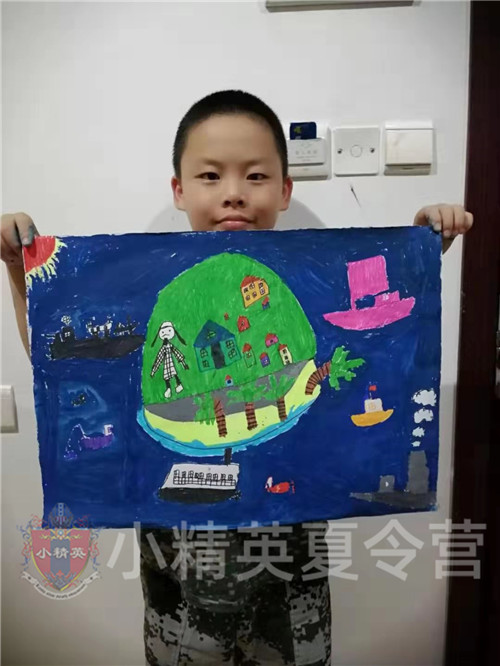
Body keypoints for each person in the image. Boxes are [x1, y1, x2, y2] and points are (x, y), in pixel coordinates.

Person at [1, 90, 473, 666]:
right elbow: (57, 362)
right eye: (209, 175)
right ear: (178, 189)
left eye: (255, 175)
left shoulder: (300, 289)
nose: (233, 192)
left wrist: (421, 248)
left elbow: (381, 341)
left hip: (292, 597)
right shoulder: (150, 293)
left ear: (285, 190)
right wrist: (20, 273)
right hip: (178, 599)